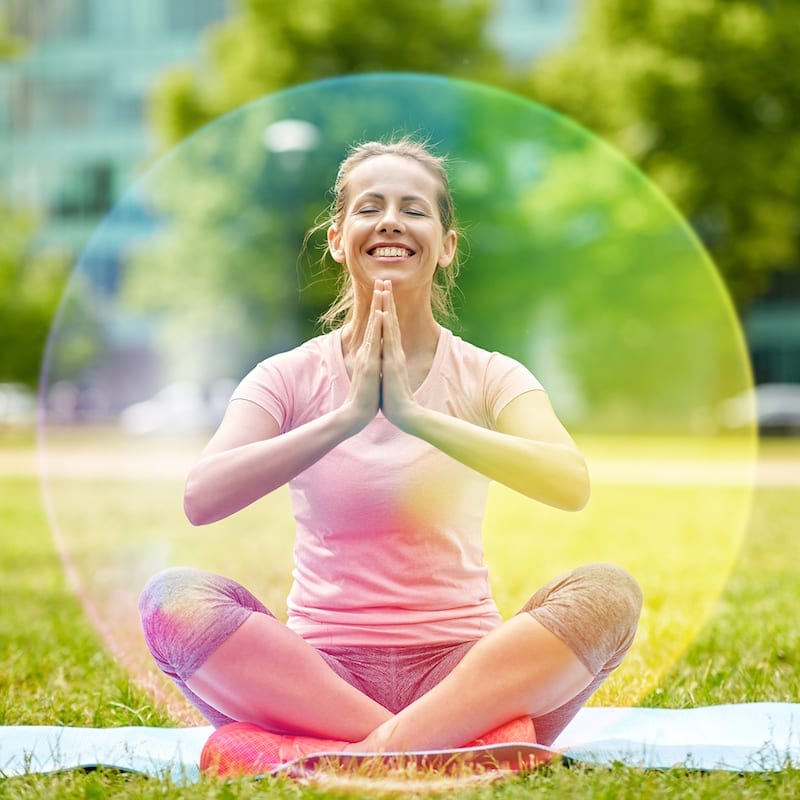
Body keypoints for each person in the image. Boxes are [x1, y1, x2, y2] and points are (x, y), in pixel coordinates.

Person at [139, 137, 642, 774]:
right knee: (171, 599)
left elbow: (569, 482)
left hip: (467, 675)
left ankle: (349, 757)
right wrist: (346, 417)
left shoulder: (489, 375)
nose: (391, 220)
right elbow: (201, 497)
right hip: (321, 680)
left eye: (415, 208)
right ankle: (443, 752)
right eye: (370, 206)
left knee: (608, 593)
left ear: (448, 244)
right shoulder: (286, 376)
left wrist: (416, 416)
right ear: (336, 238)